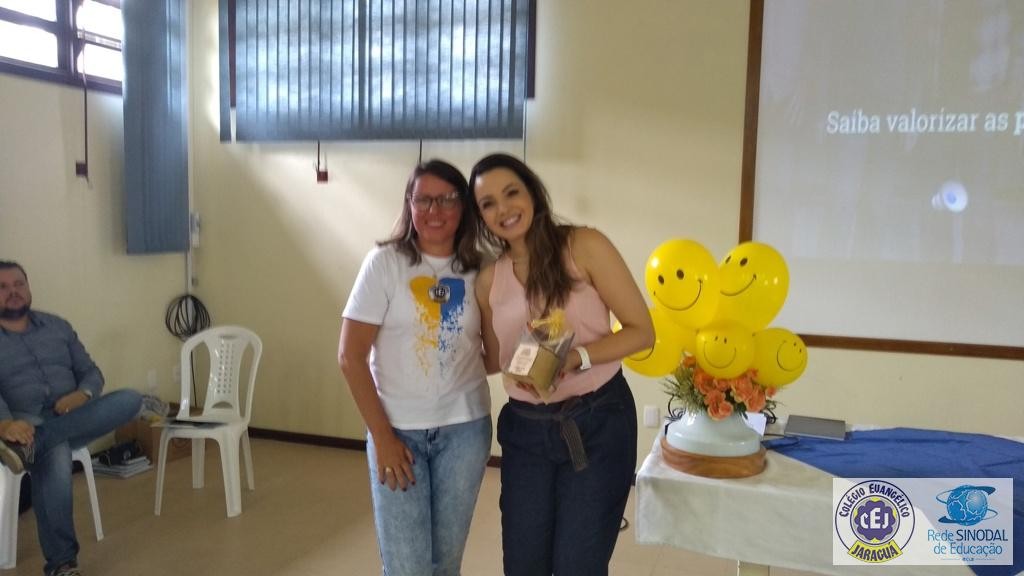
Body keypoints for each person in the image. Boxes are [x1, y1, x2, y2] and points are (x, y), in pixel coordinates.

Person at [467, 153, 654, 576]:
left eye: (511, 193)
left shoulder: (584, 246)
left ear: (532, 192)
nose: (503, 209)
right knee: (523, 565)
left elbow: (642, 332)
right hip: (526, 430)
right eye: (488, 204)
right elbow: (495, 361)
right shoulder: (489, 280)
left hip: (597, 421)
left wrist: (576, 357)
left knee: (578, 566)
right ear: (480, 217)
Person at [338, 160, 492, 576]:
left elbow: (494, 355)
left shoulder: (482, 268)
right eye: (423, 199)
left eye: (447, 199)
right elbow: (350, 357)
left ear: (464, 206)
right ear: (409, 204)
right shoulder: (385, 263)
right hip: (397, 431)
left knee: (445, 564)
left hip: (465, 431)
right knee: (407, 567)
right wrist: (382, 438)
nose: (434, 210)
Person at [0, 261, 143, 576]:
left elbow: (91, 372)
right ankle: (62, 564)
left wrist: (84, 394)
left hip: (75, 415)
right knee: (57, 454)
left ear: (28, 287)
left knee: (131, 399)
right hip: (22, 424)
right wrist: (6, 424)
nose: (13, 292)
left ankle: (33, 446)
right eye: (3, 287)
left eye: (19, 284)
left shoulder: (58, 326)